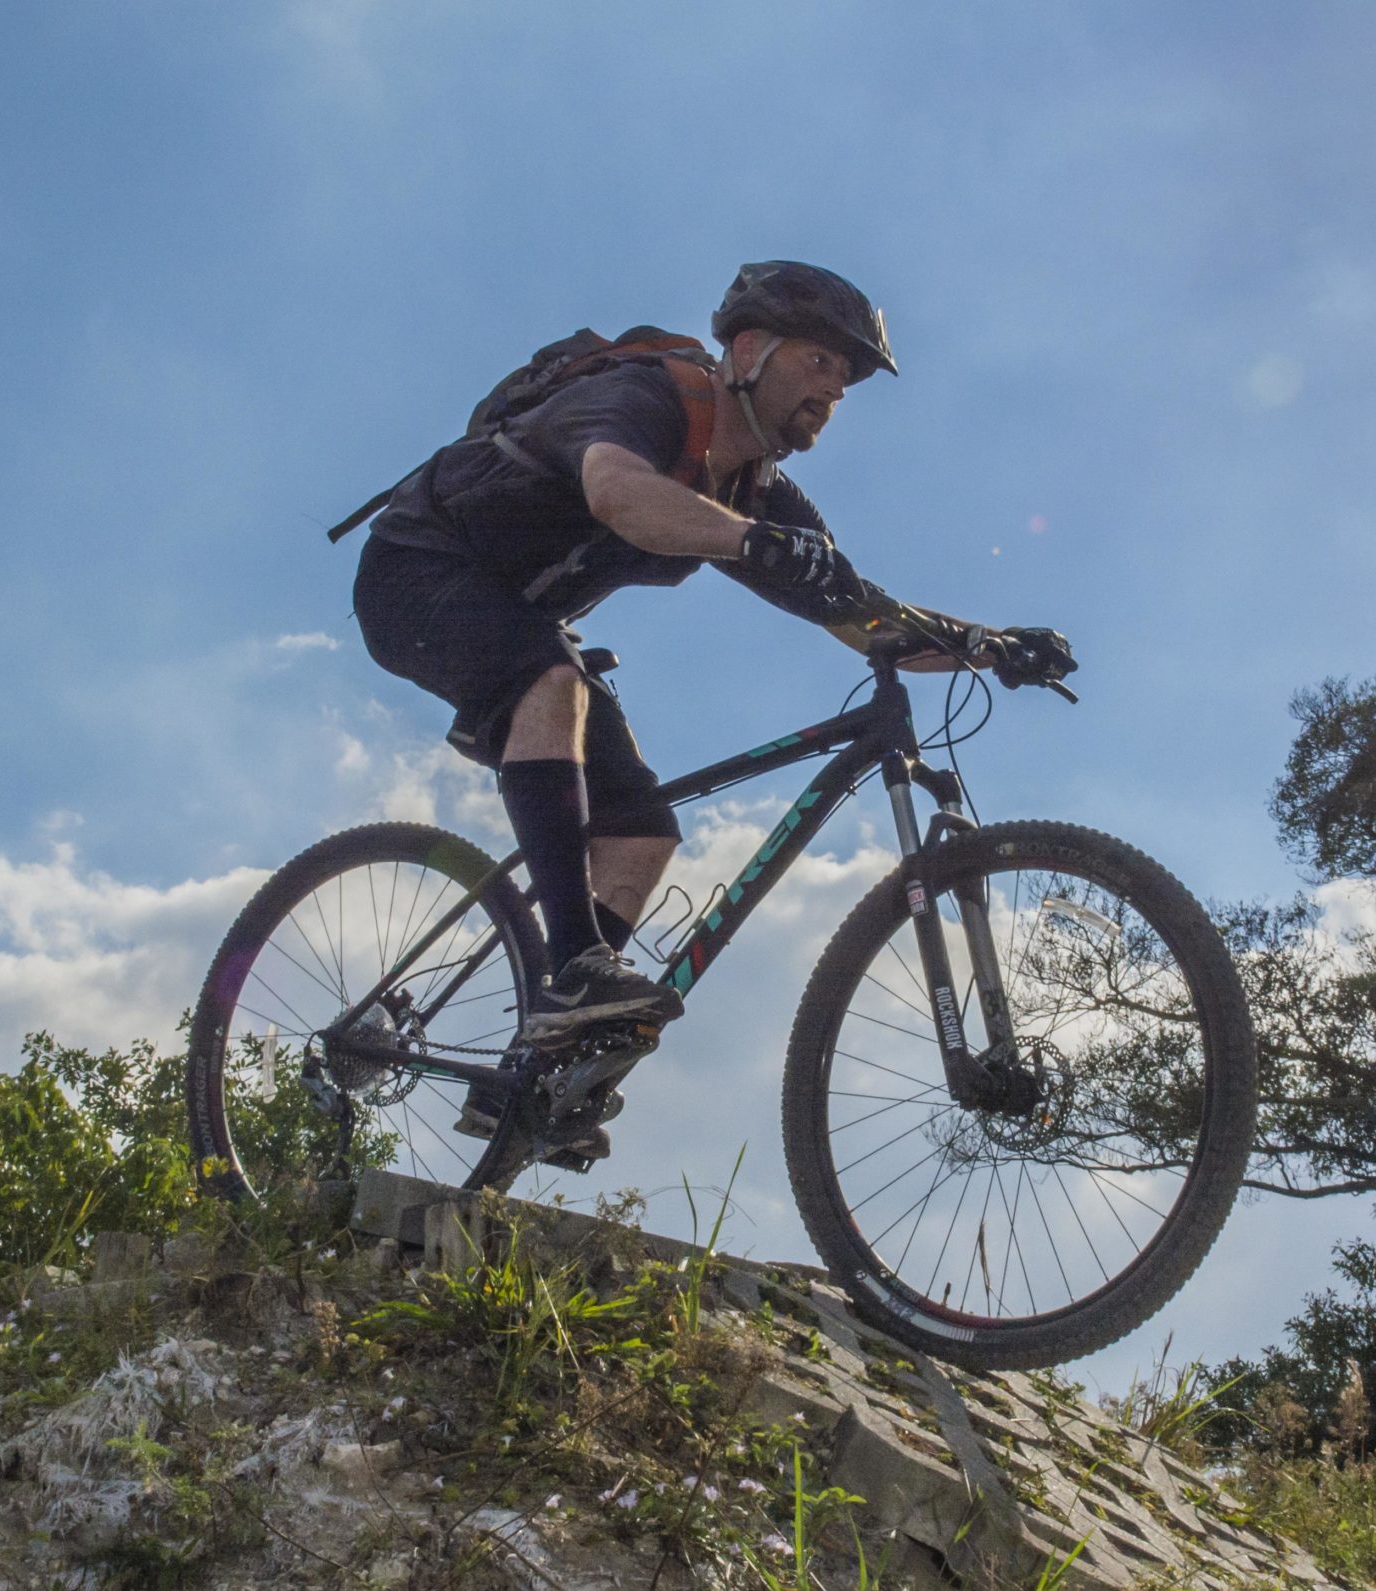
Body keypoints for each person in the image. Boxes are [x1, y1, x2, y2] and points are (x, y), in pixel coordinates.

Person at [348, 263, 1074, 1129]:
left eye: (846, 383)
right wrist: (752, 544)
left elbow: (864, 616)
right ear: (748, 350)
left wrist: (985, 646)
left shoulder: (758, 490)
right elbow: (619, 493)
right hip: (417, 572)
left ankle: (534, 1078)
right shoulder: (649, 398)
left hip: (523, 618)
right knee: (550, 680)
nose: (834, 389)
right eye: (820, 363)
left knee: (642, 831)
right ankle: (575, 974)